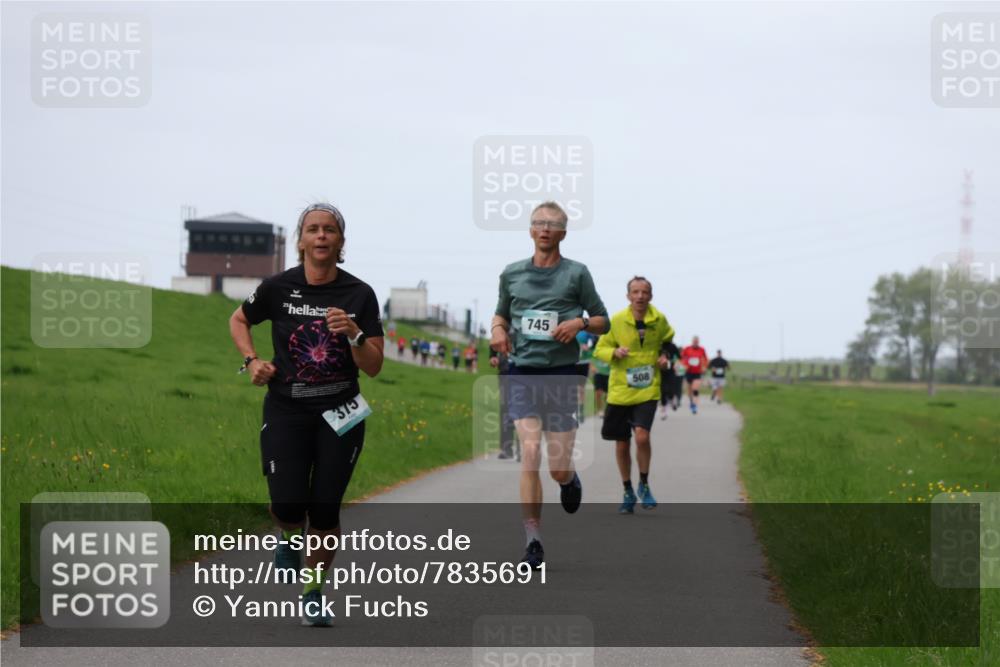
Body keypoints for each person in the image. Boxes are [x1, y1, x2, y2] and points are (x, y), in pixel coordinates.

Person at [228, 202, 384, 627]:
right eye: (312, 229)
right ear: (300, 241)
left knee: (326, 508)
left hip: (342, 411)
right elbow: (239, 319)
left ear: (340, 242)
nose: (321, 236)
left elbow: (373, 365)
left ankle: (313, 591)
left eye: (329, 230)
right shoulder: (278, 287)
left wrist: (354, 333)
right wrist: (252, 361)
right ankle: (288, 536)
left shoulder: (360, 294)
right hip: (287, 408)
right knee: (287, 501)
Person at [490, 201, 608, 569]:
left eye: (552, 224)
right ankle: (533, 541)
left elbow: (602, 320)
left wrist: (580, 324)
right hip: (523, 373)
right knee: (528, 452)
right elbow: (501, 313)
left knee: (557, 467)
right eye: (538, 223)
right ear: (530, 230)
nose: (544, 229)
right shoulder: (511, 274)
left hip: (562, 375)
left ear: (563, 233)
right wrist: (496, 331)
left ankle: (568, 480)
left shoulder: (577, 274)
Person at [594, 276, 674, 514]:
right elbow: (600, 349)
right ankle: (627, 489)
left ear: (651, 296)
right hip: (620, 390)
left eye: (644, 292)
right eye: (635, 292)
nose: (640, 296)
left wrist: (665, 356)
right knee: (622, 443)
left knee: (641, 437)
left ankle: (644, 484)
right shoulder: (616, 321)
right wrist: (614, 352)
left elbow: (669, 342)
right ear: (628, 296)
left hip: (648, 388)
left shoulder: (659, 320)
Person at [489, 346, 518, 460]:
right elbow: (495, 341)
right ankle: (506, 448)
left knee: (525, 410)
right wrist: (492, 356)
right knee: (506, 409)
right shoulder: (504, 327)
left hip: (526, 370)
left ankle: (523, 448)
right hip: (506, 371)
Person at [680, 336, 709, 414]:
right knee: (689, 390)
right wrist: (684, 365)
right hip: (688, 372)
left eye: (697, 341)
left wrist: (704, 367)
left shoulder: (702, 349)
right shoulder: (687, 349)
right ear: (692, 341)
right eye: (694, 341)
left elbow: (706, 359)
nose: (695, 342)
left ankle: (695, 406)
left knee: (695, 389)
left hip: (697, 372)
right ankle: (691, 402)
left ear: (698, 342)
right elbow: (682, 358)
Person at [658, 339, 681, 419]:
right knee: (663, 391)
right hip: (660, 371)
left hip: (671, 370)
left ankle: (673, 399)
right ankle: (664, 411)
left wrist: (676, 364)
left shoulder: (672, 346)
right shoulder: (657, 345)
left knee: (670, 389)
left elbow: (678, 357)